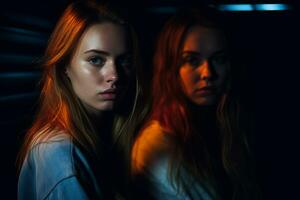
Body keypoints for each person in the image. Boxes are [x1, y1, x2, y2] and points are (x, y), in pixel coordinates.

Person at [131, 7, 260, 200]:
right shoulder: (158, 144)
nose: (207, 73)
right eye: (192, 60)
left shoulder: (232, 130)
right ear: (171, 68)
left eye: (219, 59)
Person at [17, 1, 141, 199]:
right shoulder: (62, 157)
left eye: (124, 60)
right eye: (96, 60)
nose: (115, 75)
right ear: (65, 65)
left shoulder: (106, 137)